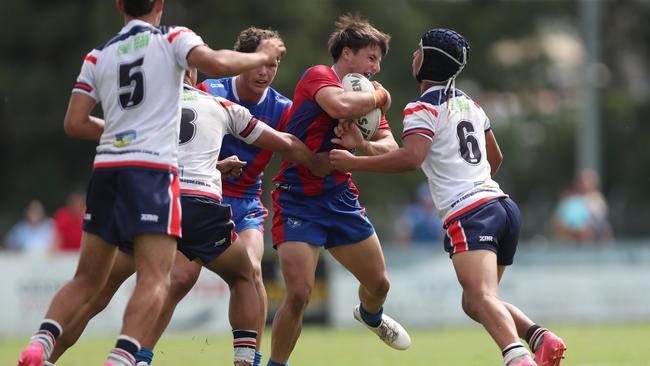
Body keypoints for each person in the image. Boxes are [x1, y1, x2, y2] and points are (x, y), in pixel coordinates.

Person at [16, 0, 286, 365]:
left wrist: (122, 135)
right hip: (155, 177)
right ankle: (126, 358)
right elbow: (220, 63)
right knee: (160, 280)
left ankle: (42, 345)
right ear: (160, 4)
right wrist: (262, 55)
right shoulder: (174, 41)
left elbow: (75, 124)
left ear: (118, 5)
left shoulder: (99, 55)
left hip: (109, 170)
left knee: (89, 282)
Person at [46, 68, 328, 366]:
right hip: (199, 207)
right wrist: (315, 161)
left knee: (98, 290)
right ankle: (244, 360)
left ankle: (51, 356)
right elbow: (284, 143)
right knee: (244, 275)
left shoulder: (145, 106)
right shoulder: (217, 103)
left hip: (151, 206)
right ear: (190, 73)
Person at [329, 28, 566, 366]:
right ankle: (539, 337)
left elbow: (411, 158)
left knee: (481, 297)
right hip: (501, 207)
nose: (413, 56)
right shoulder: (470, 102)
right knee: (476, 302)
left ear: (429, 60)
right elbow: (493, 158)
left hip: (470, 213)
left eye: (418, 51)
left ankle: (518, 359)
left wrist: (356, 162)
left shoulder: (420, 109)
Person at [267, 14, 410, 366]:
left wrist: (362, 143)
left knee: (379, 285)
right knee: (299, 293)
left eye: (379, 62)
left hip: (340, 198)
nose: (376, 68)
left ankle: (370, 316)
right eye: (371, 58)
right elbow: (339, 106)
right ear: (347, 53)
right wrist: (380, 96)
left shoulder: (369, 100)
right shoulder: (320, 75)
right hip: (298, 197)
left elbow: (391, 148)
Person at [196, 26, 292, 366]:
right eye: (260, 63)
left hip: (248, 203)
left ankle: (250, 357)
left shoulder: (283, 109)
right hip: (203, 196)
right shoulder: (209, 90)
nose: (266, 71)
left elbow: (302, 149)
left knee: (252, 270)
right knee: (178, 279)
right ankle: (139, 352)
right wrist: (217, 165)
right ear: (241, 62)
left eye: (274, 64)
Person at [553, 169, 612, 243]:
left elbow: (599, 221)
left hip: (589, 235)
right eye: (582, 181)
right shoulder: (568, 200)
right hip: (570, 235)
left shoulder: (597, 200)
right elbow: (559, 222)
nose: (584, 184)